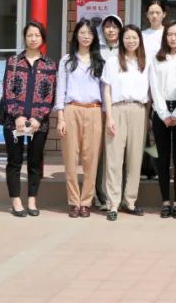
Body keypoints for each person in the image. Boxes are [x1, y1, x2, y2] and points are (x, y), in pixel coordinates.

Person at [2, 21, 57, 217]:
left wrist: (38, 118)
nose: (33, 39)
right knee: (14, 161)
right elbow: (8, 91)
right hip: (13, 121)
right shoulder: (13, 62)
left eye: (37, 35)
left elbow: (50, 95)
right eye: (30, 35)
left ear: (42, 38)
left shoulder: (49, 64)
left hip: (38, 124)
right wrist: (17, 115)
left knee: (35, 162)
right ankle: (16, 201)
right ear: (25, 38)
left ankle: (32, 200)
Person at [54, 20, 105, 218]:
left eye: (89, 33)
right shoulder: (67, 60)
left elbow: (105, 91)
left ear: (94, 37)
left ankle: (86, 202)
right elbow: (61, 89)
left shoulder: (100, 62)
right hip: (71, 109)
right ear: (76, 35)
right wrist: (60, 117)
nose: (85, 36)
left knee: (91, 159)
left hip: (94, 110)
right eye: (82, 32)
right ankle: (74, 201)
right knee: (70, 157)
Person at [101, 24, 149, 220]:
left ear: (140, 40)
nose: (131, 41)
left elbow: (151, 91)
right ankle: (112, 204)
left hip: (139, 110)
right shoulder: (112, 62)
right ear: (121, 40)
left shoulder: (145, 62)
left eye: (134, 38)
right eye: (127, 37)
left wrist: (148, 115)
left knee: (135, 159)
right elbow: (107, 91)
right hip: (117, 110)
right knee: (114, 158)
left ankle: (129, 202)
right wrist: (109, 116)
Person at [148, 21, 176, 219]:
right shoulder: (157, 59)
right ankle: (165, 201)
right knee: (163, 158)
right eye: (169, 34)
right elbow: (154, 88)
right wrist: (165, 114)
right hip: (161, 111)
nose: (173, 38)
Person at [94, 14, 124, 211]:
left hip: (119, 106)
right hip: (99, 106)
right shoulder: (96, 49)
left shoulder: (126, 49)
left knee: (117, 151)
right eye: (107, 27)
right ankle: (100, 195)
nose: (111, 30)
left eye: (115, 27)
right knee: (100, 152)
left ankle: (117, 195)